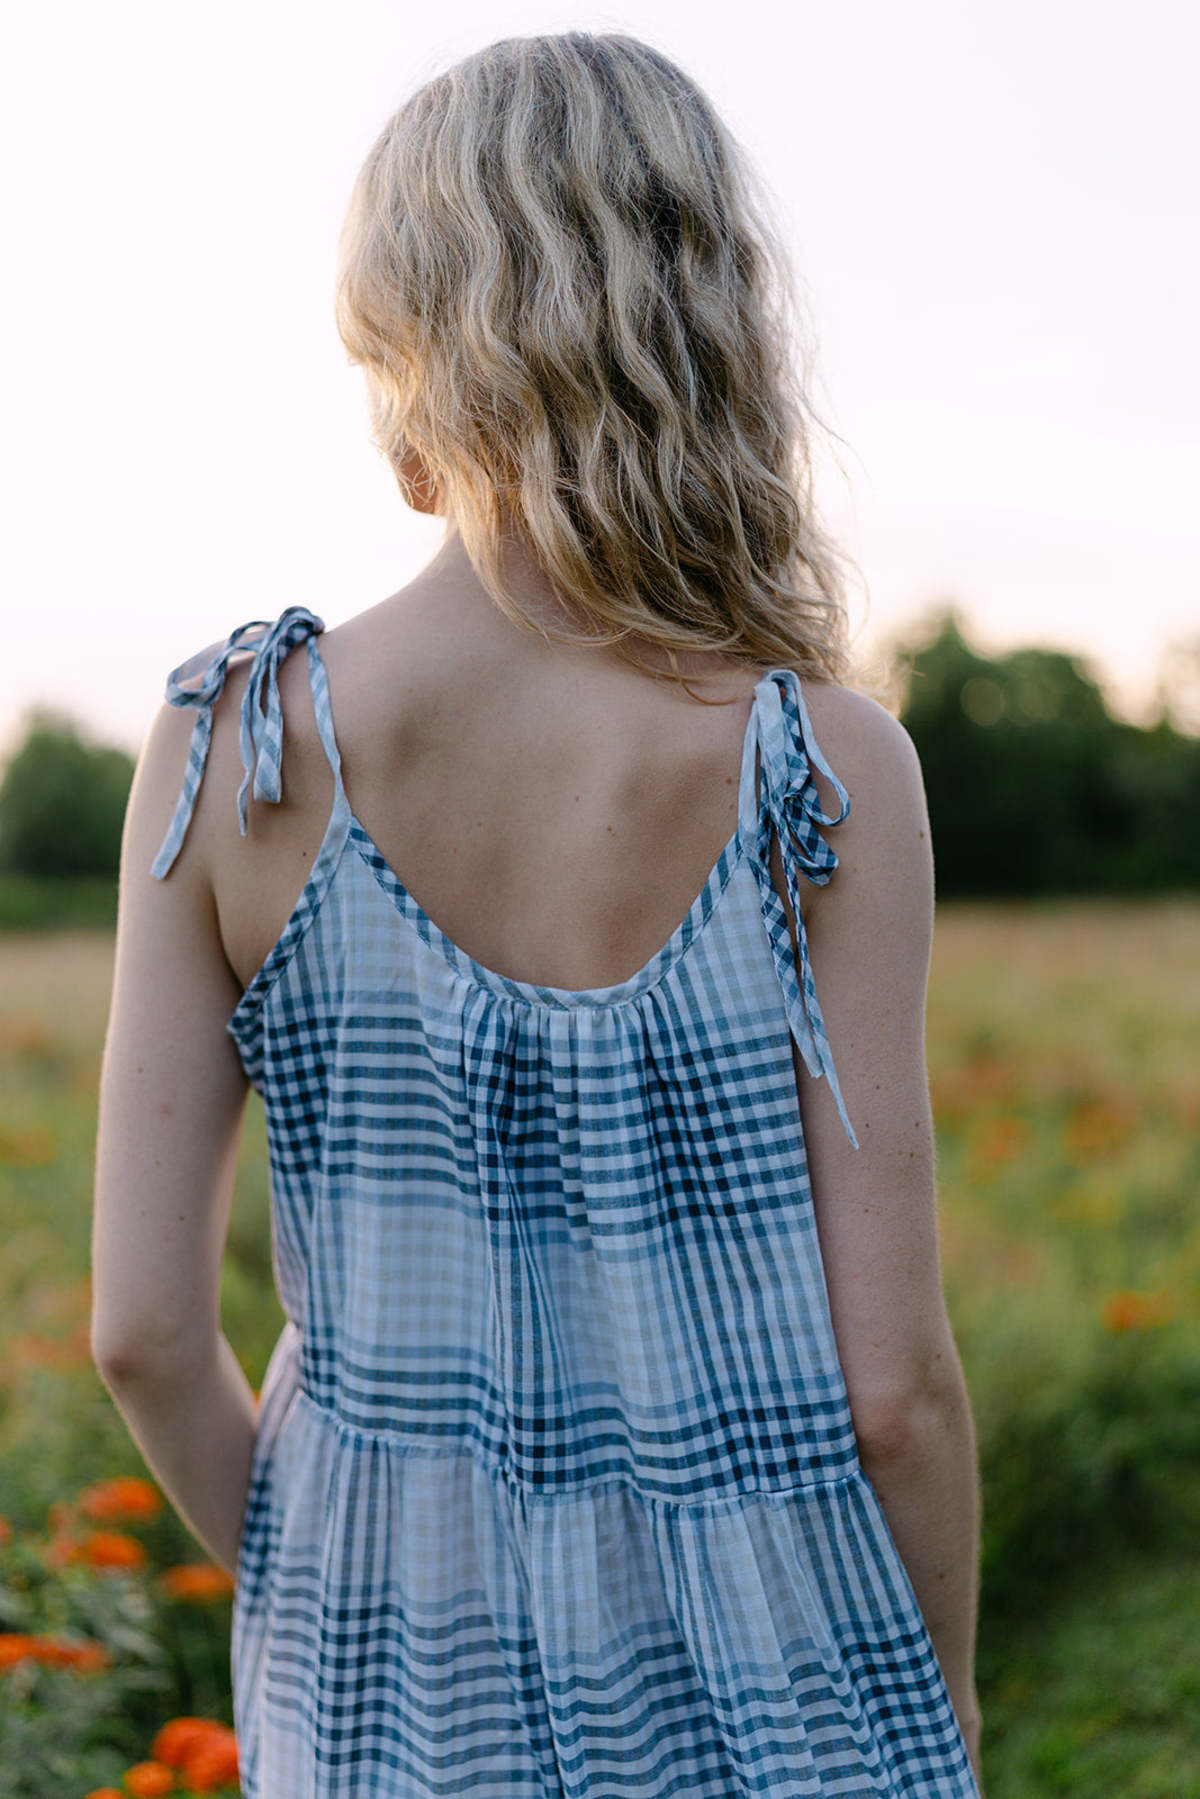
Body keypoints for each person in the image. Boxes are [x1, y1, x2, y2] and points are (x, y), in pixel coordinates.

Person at [91, 30, 984, 1798]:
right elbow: (896, 1391)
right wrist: (940, 1694)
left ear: (410, 340)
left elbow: (143, 1332)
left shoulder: (232, 749)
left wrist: (316, 1568)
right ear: (706, 323)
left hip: (375, 1686)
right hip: (779, 1677)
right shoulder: (824, 768)